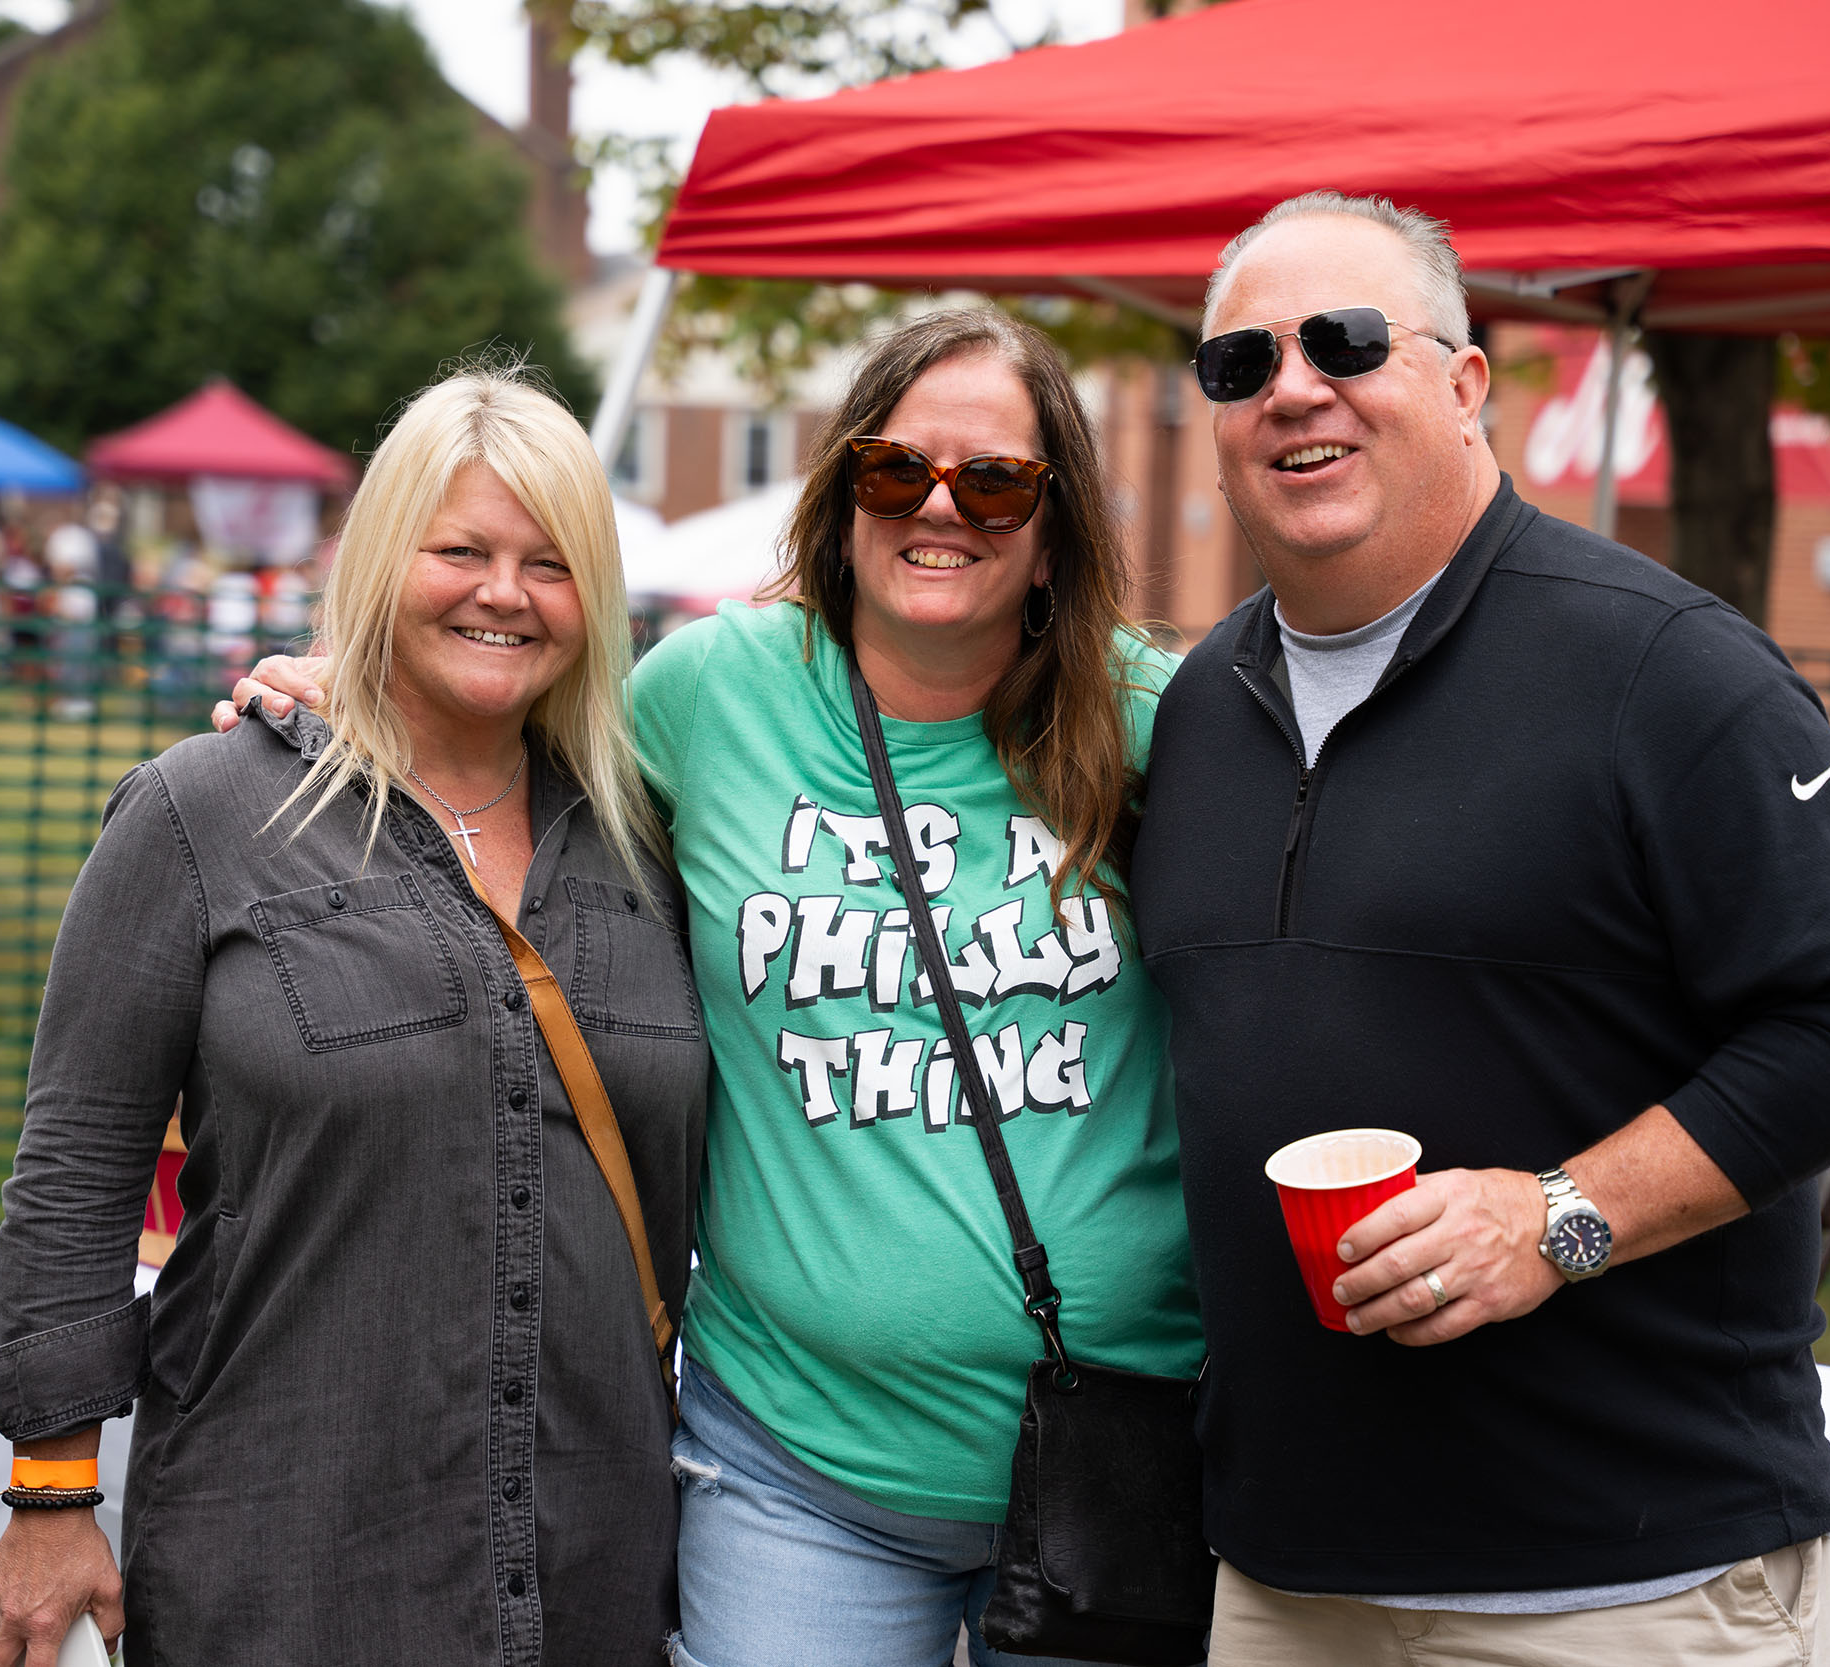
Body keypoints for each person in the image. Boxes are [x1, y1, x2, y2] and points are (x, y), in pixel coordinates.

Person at [223, 310, 1204, 1667]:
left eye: (993, 481)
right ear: (840, 490)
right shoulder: (710, 694)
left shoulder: (1165, 719)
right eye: (891, 470)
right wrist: (357, 689)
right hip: (797, 1475)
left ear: (1056, 524)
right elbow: (511, 765)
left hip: (1119, 1462)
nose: (938, 508)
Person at [1128, 191, 1830, 1663]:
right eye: (1241, 364)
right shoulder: (1200, 707)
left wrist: (1558, 1219)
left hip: (1628, 1584)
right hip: (1286, 1576)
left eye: (1347, 340)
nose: (1294, 389)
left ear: (1466, 384)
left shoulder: (1664, 669)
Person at [0, 366, 706, 1666]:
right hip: (287, 1553)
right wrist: (54, 1496)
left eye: (550, 562)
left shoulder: (651, 840)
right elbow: (76, 1165)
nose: (504, 593)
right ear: (378, 560)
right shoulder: (205, 813)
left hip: (590, 1556)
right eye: (458, 550)